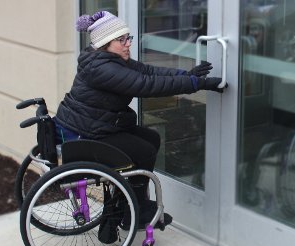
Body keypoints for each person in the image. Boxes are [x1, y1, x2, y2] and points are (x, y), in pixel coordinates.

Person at [54, 11, 227, 229]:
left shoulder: (110, 59)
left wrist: (187, 75)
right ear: (105, 43)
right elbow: (145, 85)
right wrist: (196, 84)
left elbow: (147, 71)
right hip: (85, 132)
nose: (128, 44)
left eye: (129, 38)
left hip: (95, 125)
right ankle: (133, 210)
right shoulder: (102, 68)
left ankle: (131, 203)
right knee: (143, 150)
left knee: (151, 138)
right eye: (121, 40)